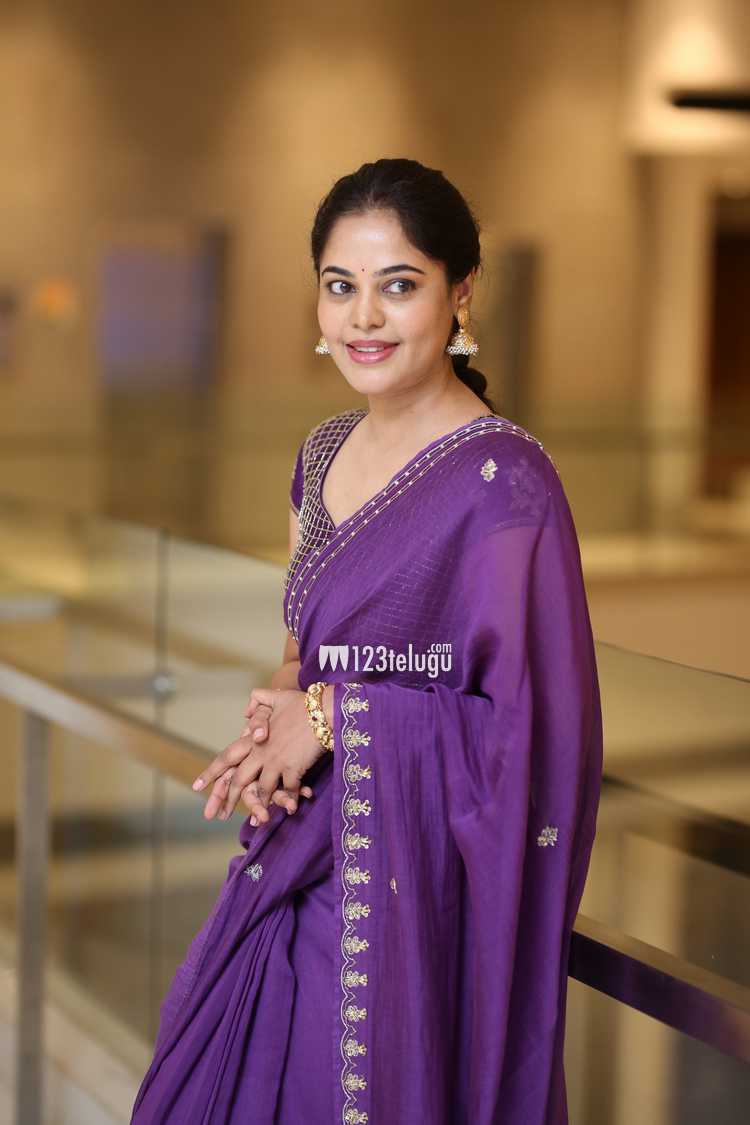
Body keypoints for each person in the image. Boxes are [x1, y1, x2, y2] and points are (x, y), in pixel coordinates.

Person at [130, 157, 603, 1124]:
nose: (365, 318)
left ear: (461, 293)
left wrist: (332, 716)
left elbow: (527, 734)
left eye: (399, 285)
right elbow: (305, 652)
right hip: (300, 853)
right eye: (341, 286)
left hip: (407, 904)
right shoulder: (320, 455)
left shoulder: (504, 484)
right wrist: (274, 727)